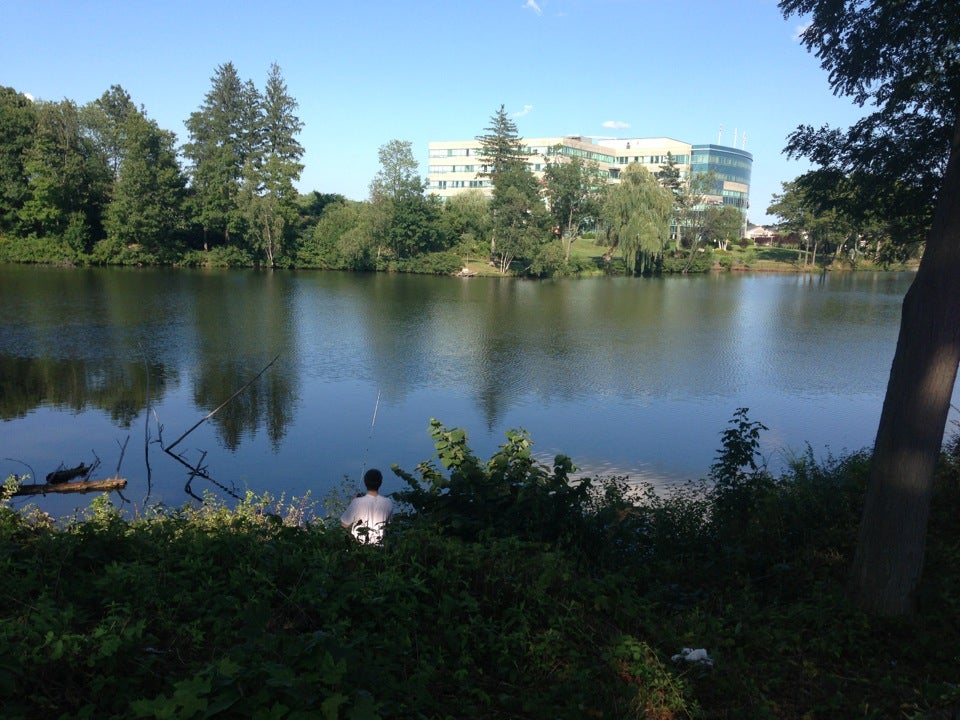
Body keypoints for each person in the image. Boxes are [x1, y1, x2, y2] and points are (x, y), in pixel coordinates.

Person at [340, 468, 393, 544]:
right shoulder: (388, 502)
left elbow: (344, 524)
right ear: (380, 483)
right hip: (380, 547)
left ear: (365, 483)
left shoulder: (356, 502)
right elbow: (389, 525)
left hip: (359, 547)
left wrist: (352, 503)